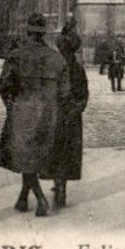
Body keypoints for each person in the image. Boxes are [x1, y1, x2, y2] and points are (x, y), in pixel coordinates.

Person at [0, 12, 70, 217]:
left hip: (24, 110)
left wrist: (11, 105)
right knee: (33, 156)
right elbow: (65, 91)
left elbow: (3, 85)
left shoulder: (17, 56)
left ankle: (40, 199)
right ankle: (22, 197)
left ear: (27, 33)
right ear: (44, 33)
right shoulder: (57, 58)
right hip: (49, 113)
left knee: (25, 157)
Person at [46, 18, 89, 209]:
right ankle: (62, 186)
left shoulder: (54, 66)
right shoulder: (77, 68)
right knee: (67, 152)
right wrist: (77, 108)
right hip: (71, 116)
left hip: (56, 114)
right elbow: (83, 95)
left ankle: (58, 184)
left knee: (56, 151)